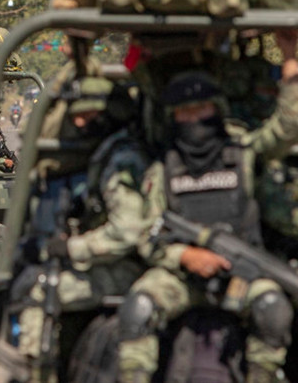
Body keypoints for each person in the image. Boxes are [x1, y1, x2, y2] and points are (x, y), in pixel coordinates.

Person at [117, 30, 298, 382]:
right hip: (181, 276)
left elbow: (286, 128)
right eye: (184, 111)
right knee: (137, 309)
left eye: (202, 108)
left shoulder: (244, 155)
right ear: (173, 117)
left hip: (243, 271)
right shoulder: (163, 167)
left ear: (218, 109)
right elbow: (147, 234)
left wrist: (291, 59)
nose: (194, 118)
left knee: (273, 309)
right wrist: (185, 256)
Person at [12, 76, 147, 377]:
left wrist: (72, 248)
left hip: (133, 267)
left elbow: (126, 232)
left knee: (38, 292)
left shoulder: (123, 156)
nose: (82, 123)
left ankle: (37, 373)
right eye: (78, 116)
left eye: (90, 115)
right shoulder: (108, 150)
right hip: (121, 261)